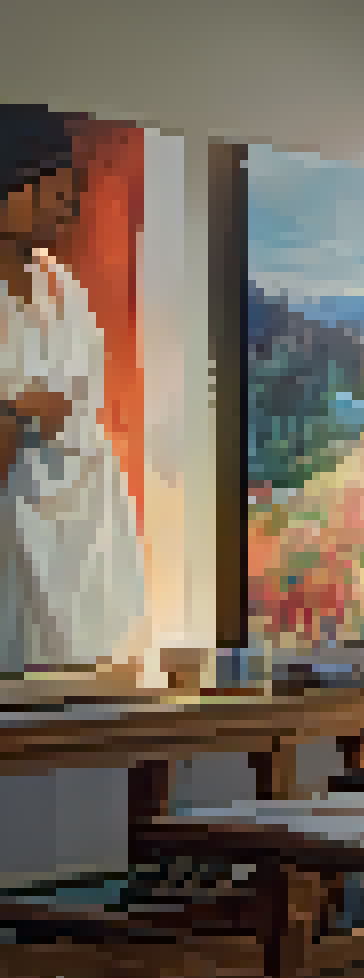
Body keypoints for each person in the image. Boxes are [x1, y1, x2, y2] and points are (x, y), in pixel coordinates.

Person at [0, 105, 143, 673]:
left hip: (79, 517)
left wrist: (39, 413)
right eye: (44, 182)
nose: (63, 203)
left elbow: (83, 404)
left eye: (65, 186)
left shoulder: (62, 287)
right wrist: (18, 409)